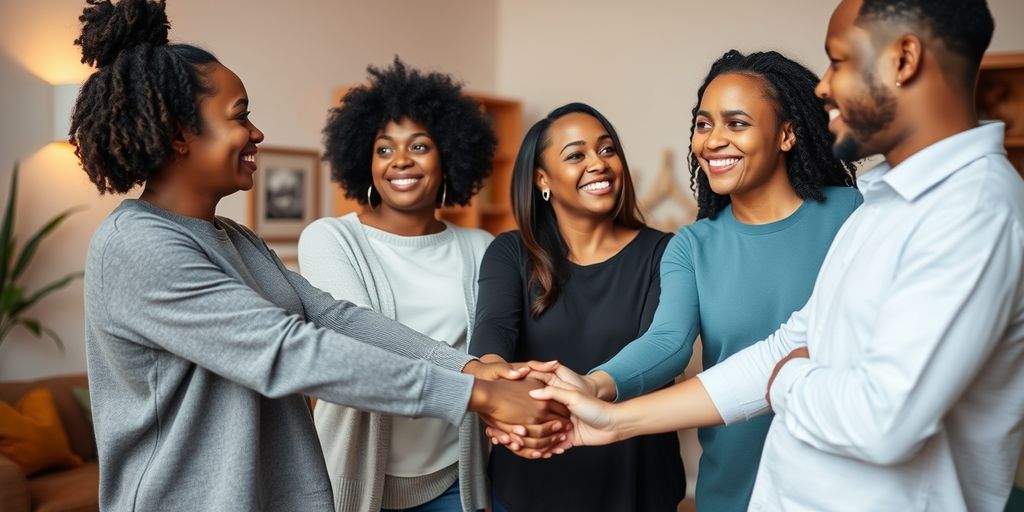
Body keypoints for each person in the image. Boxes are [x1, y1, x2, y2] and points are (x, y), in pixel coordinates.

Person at [71, 1, 566, 510]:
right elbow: (288, 350)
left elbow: (333, 316)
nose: (257, 133)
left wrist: (469, 370)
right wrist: (474, 396)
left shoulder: (235, 238)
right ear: (179, 134)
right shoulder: (137, 245)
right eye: (241, 116)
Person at [532, 1, 1024, 510]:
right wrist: (610, 416)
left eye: (839, 61)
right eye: (703, 123)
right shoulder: (883, 208)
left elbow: (883, 419)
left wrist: (787, 377)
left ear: (903, 59)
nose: (823, 86)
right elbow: (780, 348)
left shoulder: (971, 209)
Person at [502, 49, 860, 511]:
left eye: (736, 123)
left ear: (787, 134)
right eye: (704, 124)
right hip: (735, 486)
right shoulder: (692, 245)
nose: (712, 141)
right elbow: (668, 342)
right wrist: (595, 385)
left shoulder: (854, 214)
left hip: (841, 481)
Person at [298, 59, 497, 512]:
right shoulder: (330, 239)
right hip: (348, 482)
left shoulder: (480, 247)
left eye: (420, 146)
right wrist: (475, 376)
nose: (401, 161)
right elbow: (361, 340)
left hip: (454, 482)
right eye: (384, 149)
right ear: (364, 161)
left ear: (449, 155)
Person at [470, 103, 685, 512]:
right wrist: (494, 378)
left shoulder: (666, 252)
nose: (598, 164)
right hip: (533, 475)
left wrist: (591, 386)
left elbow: (663, 350)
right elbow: (494, 327)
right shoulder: (510, 252)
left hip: (636, 480)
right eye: (576, 155)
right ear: (542, 179)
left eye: (607, 150)